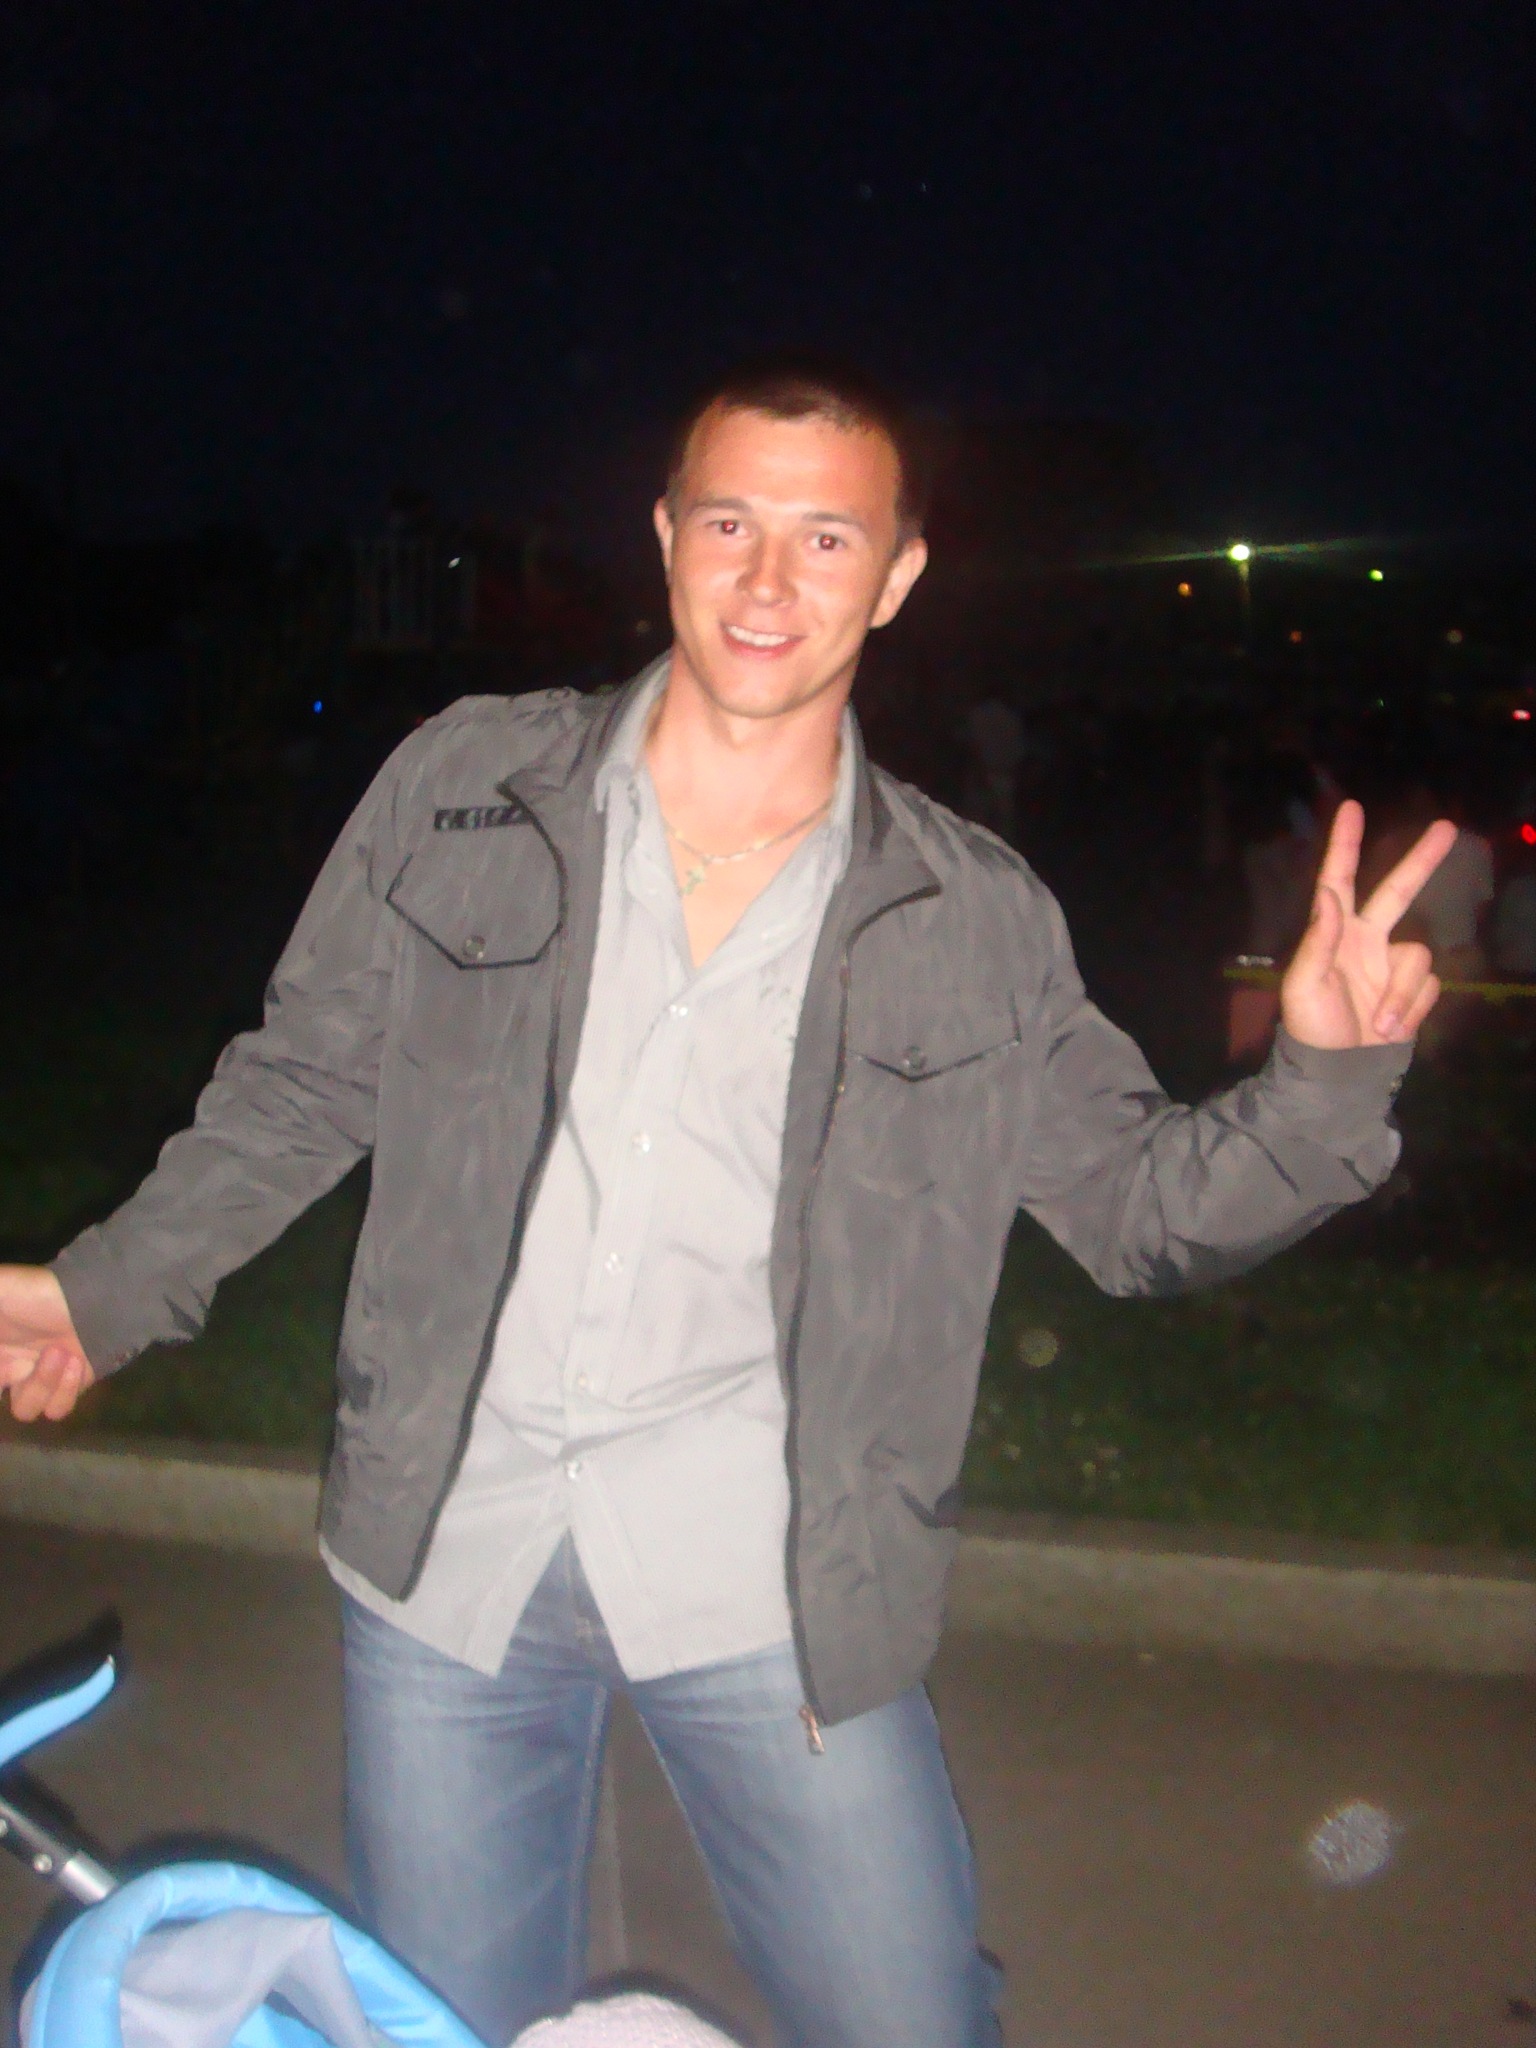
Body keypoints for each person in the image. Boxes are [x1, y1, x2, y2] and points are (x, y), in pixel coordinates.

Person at [0, 357, 1453, 2048]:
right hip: (448, 1553)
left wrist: (1326, 1077)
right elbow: (306, 1082)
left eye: (827, 538)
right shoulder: (466, 790)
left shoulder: (970, 918)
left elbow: (1141, 1211)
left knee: (909, 2024)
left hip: (774, 1583)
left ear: (897, 576)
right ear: (666, 538)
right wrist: (102, 1292)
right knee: (447, 2024)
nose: (770, 581)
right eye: (731, 524)